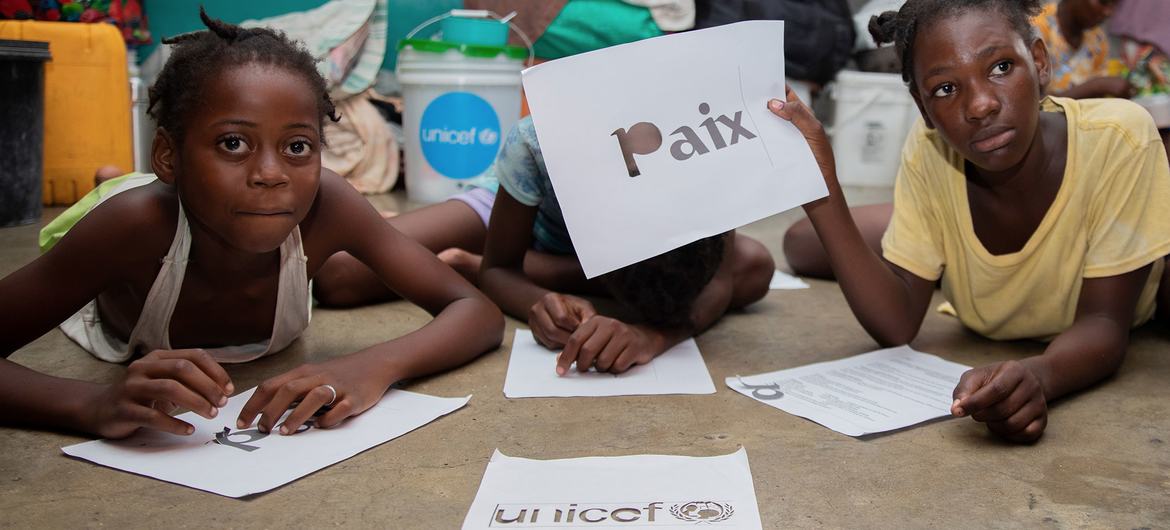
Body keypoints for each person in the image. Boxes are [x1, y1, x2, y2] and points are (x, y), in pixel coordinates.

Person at [0, 9, 503, 439]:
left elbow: (476, 312)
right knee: (118, 199)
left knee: (341, 278)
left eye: (297, 147)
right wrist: (91, 404)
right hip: (128, 218)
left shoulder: (326, 203)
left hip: (227, 214)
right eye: (233, 144)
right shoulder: (132, 229)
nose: (270, 175)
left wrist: (373, 365)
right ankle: (110, 181)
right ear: (169, 156)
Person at [769, 0, 1170, 442]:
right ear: (922, 109)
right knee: (801, 242)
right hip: (979, 281)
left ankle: (946, 265)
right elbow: (896, 325)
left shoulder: (1118, 137)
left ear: (1038, 64)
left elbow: (1104, 325)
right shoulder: (928, 150)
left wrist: (1041, 374)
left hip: (1110, 300)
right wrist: (822, 185)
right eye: (944, 89)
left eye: (1000, 67)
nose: (979, 105)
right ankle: (945, 263)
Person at [475, 116, 775, 376]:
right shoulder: (538, 141)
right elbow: (497, 269)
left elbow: (721, 280)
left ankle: (473, 262)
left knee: (754, 265)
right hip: (536, 219)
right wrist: (537, 301)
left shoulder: (716, 153)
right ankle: (474, 260)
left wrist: (655, 336)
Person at [1033, 0, 1133, 99]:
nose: (1108, 12)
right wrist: (1097, 86)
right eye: (1103, 2)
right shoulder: (1036, 27)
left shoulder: (1098, 39)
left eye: (1114, 5)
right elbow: (1030, 101)